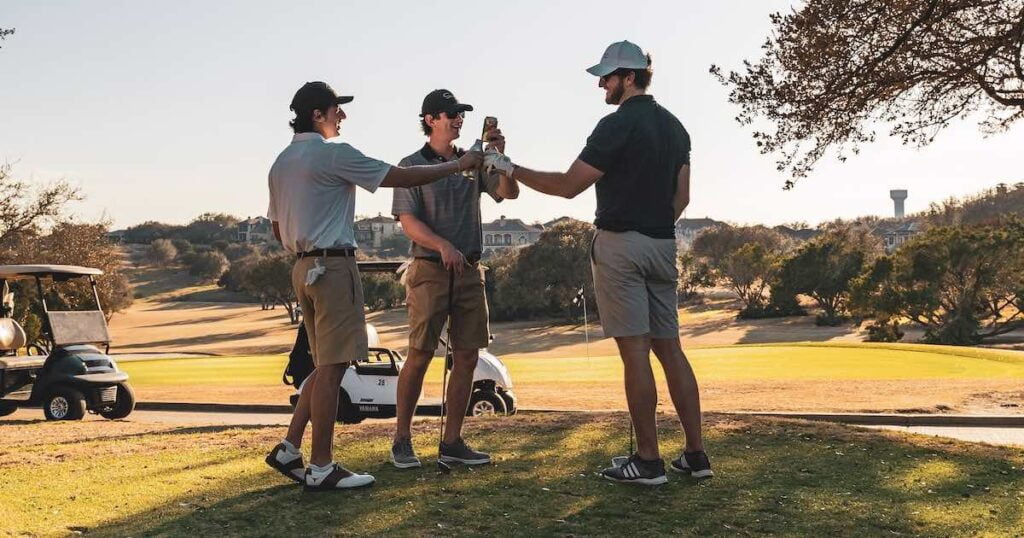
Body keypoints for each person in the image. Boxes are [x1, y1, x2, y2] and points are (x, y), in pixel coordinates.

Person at [484, 41, 712, 484]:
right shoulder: (676, 127)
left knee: (635, 354)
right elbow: (682, 197)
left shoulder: (616, 124)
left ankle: (648, 461)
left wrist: (509, 168)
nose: (601, 84)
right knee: (671, 350)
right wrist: (653, 227)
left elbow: (569, 186)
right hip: (664, 245)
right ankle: (696, 455)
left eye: (606, 77)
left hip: (621, 246)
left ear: (628, 77)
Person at [264, 81, 482, 492]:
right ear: (317, 114)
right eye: (336, 110)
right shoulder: (333, 154)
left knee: (323, 364)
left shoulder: (281, 162)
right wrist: (458, 165)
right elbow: (399, 176)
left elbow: (278, 229)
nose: (341, 116)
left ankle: (290, 448)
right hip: (333, 267)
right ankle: (322, 465)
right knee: (334, 368)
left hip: (301, 267)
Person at [389, 89, 518, 469]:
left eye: (461, 114)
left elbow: (508, 194)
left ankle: (453, 442)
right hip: (429, 269)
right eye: (451, 114)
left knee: (467, 356)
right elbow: (408, 222)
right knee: (420, 353)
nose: (458, 119)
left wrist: (501, 160)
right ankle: (401, 440)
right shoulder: (410, 165)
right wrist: (443, 245)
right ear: (430, 120)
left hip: (469, 271)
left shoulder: (474, 161)